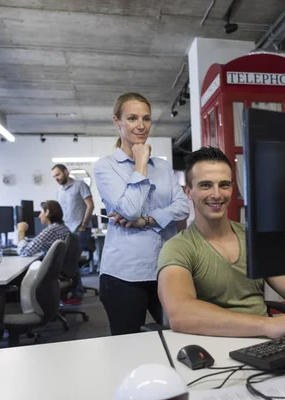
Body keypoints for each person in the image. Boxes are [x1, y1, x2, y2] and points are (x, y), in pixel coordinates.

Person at [157, 147, 285, 339]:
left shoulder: (252, 238)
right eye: (205, 185)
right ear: (188, 192)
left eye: (224, 185)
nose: (216, 194)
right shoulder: (177, 248)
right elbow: (180, 313)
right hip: (216, 343)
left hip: (266, 340)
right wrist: (266, 325)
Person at [94, 92, 190, 336]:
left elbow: (183, 207)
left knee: (178, 336)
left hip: (166, 268)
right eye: (132, 118)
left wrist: (145, 220)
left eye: (146, 119)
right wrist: (140, 163)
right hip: (125, 274)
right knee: (127, 346)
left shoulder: (164, 166)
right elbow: (129, 209)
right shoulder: (106, 167)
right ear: (117, 121)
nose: (141, 125)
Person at [52, 163, 95, 304]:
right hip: (66, 231)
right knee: (66, 260)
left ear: (66, 172)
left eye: (58, 174)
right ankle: (72, 290)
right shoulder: (59, 191)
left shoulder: (80, 185)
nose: (56, 178)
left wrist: (83, 225)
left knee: (71, 260)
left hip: (80, 230)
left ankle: (77, 293)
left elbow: (90, 205)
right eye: (54, 176)